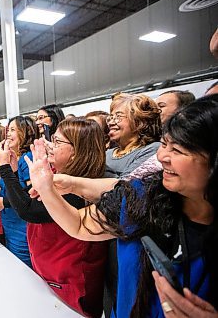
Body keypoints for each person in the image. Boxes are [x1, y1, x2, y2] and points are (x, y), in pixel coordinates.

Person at [25, 94, 218, 318]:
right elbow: (79, 224)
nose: (162, 156)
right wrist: (47, 188)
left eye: (178, 150)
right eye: (164, 144)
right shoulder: (143, 197)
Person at [0, 118, 108, 317]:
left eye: (57, 142)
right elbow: (28, 198)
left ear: (76, 151)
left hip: (70, 282)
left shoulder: (80, 189)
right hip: (50, 273)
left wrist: (5, 168)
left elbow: (28, 210)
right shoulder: (60, 175)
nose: (50, 146)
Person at [0, 116, 38, 267]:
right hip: (9, 222)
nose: (8, 133)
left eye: (13, 130)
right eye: (8, 130)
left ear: (26, 132)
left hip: (22, 226)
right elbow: (3, 183)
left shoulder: (28, 158)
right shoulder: (10, 158)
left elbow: (31, 193)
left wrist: (3, 201)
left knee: (23, 267)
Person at [105, 93, 161, 178]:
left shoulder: (152, 149)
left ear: (139, 122)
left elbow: (125, 185)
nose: (111, 123)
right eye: (111, 117)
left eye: (118, 116)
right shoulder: (107, 153)